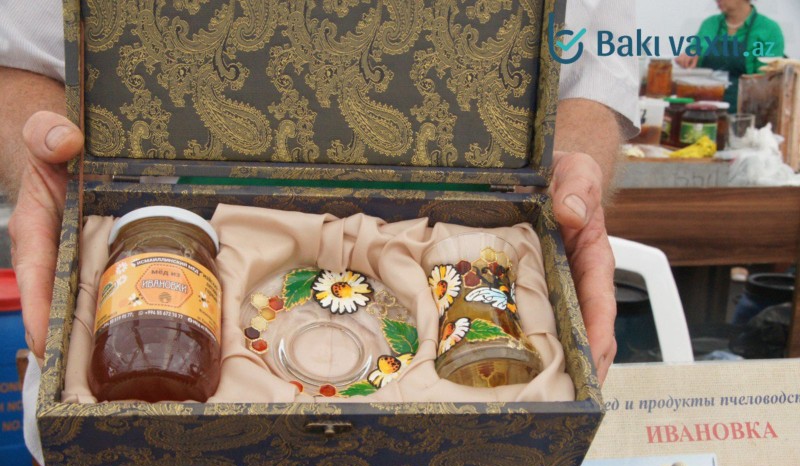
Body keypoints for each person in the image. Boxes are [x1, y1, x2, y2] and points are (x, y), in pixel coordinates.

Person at [1, 0, 637, 427]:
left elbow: (593, 77)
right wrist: (52, 165)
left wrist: (563, 179)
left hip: (461, 450)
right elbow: (16, 58)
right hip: (144, 449)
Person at [676, 0, 785, 109]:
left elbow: (766, 81)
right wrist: (688, 57)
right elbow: (694, 52)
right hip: (705, 110)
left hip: (745, 111)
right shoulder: (709, 24)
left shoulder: (769, 30)